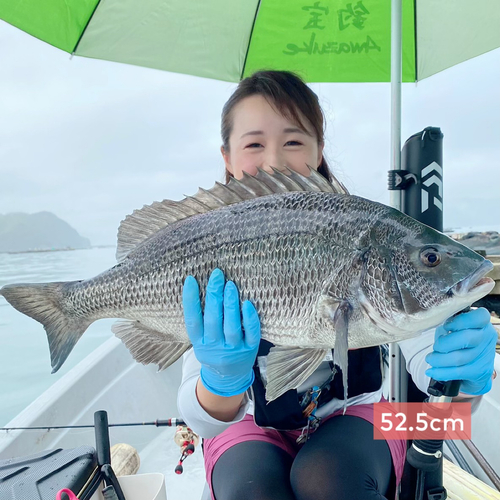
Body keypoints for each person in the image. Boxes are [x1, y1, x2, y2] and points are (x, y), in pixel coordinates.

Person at [177, 70, 498, 500]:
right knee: (248, 488)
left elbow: (448, 419)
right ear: (227, 157)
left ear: (319, 151)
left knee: (330, 480)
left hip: (364, 416)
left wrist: (469, 387)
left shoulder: (368, 235)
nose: (273, 161)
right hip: (246, 422)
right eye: (254, 144)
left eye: (292, 141)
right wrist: (219, 379)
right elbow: (202, 422)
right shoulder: (201, 244)